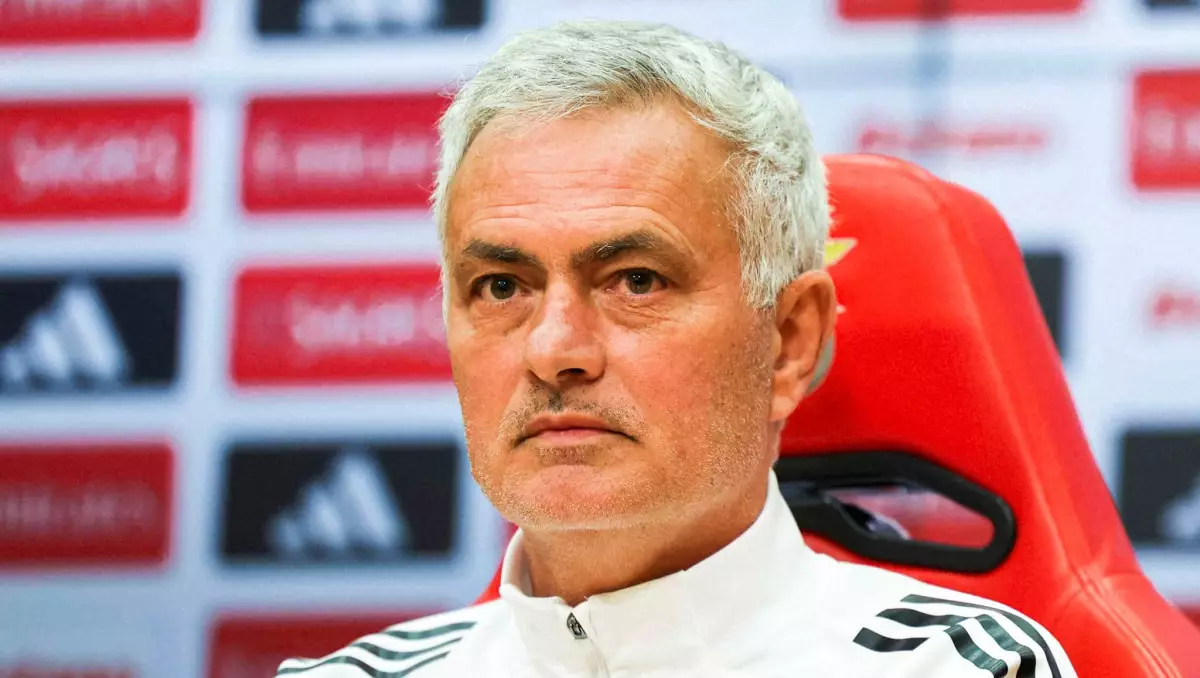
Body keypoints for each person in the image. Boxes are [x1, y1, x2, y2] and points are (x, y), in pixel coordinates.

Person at [276, 19, 1078, 678]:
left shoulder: (963, 669)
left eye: (635, 280)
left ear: (789, 343)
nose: (553, 351)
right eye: (501, 286)